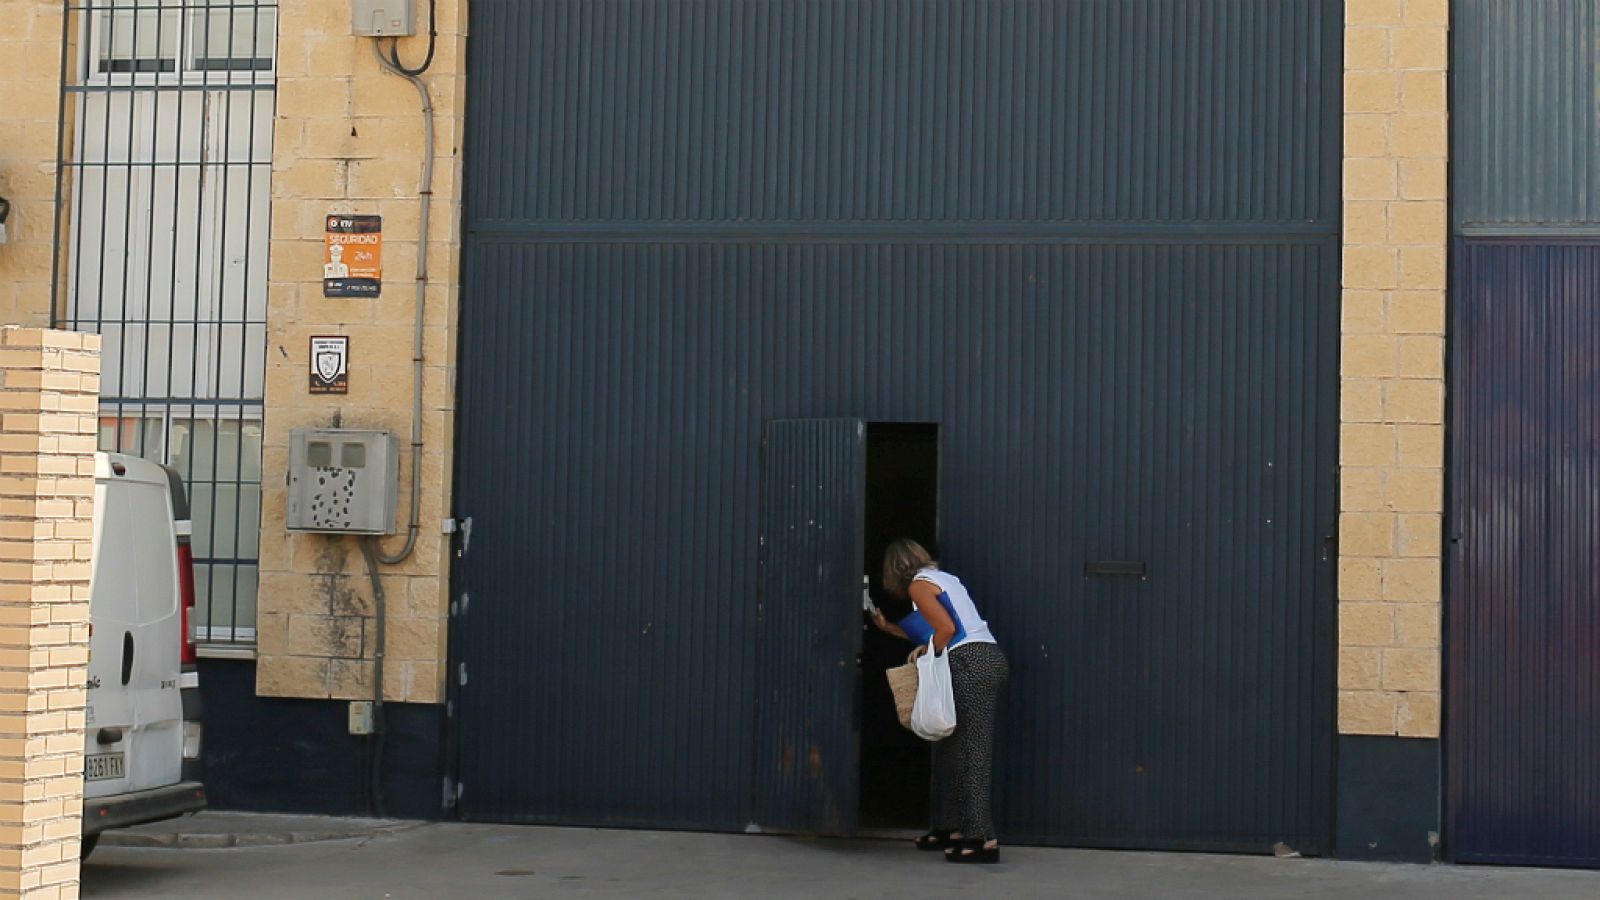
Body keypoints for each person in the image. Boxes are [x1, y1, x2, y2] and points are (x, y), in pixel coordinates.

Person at [870, 538, 1010, 864]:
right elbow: (941, 629)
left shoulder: (919, 586)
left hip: (970, 663)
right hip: (980, 659)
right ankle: (950, 828)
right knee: (949, 748)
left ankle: (982, 839)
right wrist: (891, 629)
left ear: (893, 570)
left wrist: (929, 653)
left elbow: (945, 630)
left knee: (970, 754)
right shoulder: (942, 579)